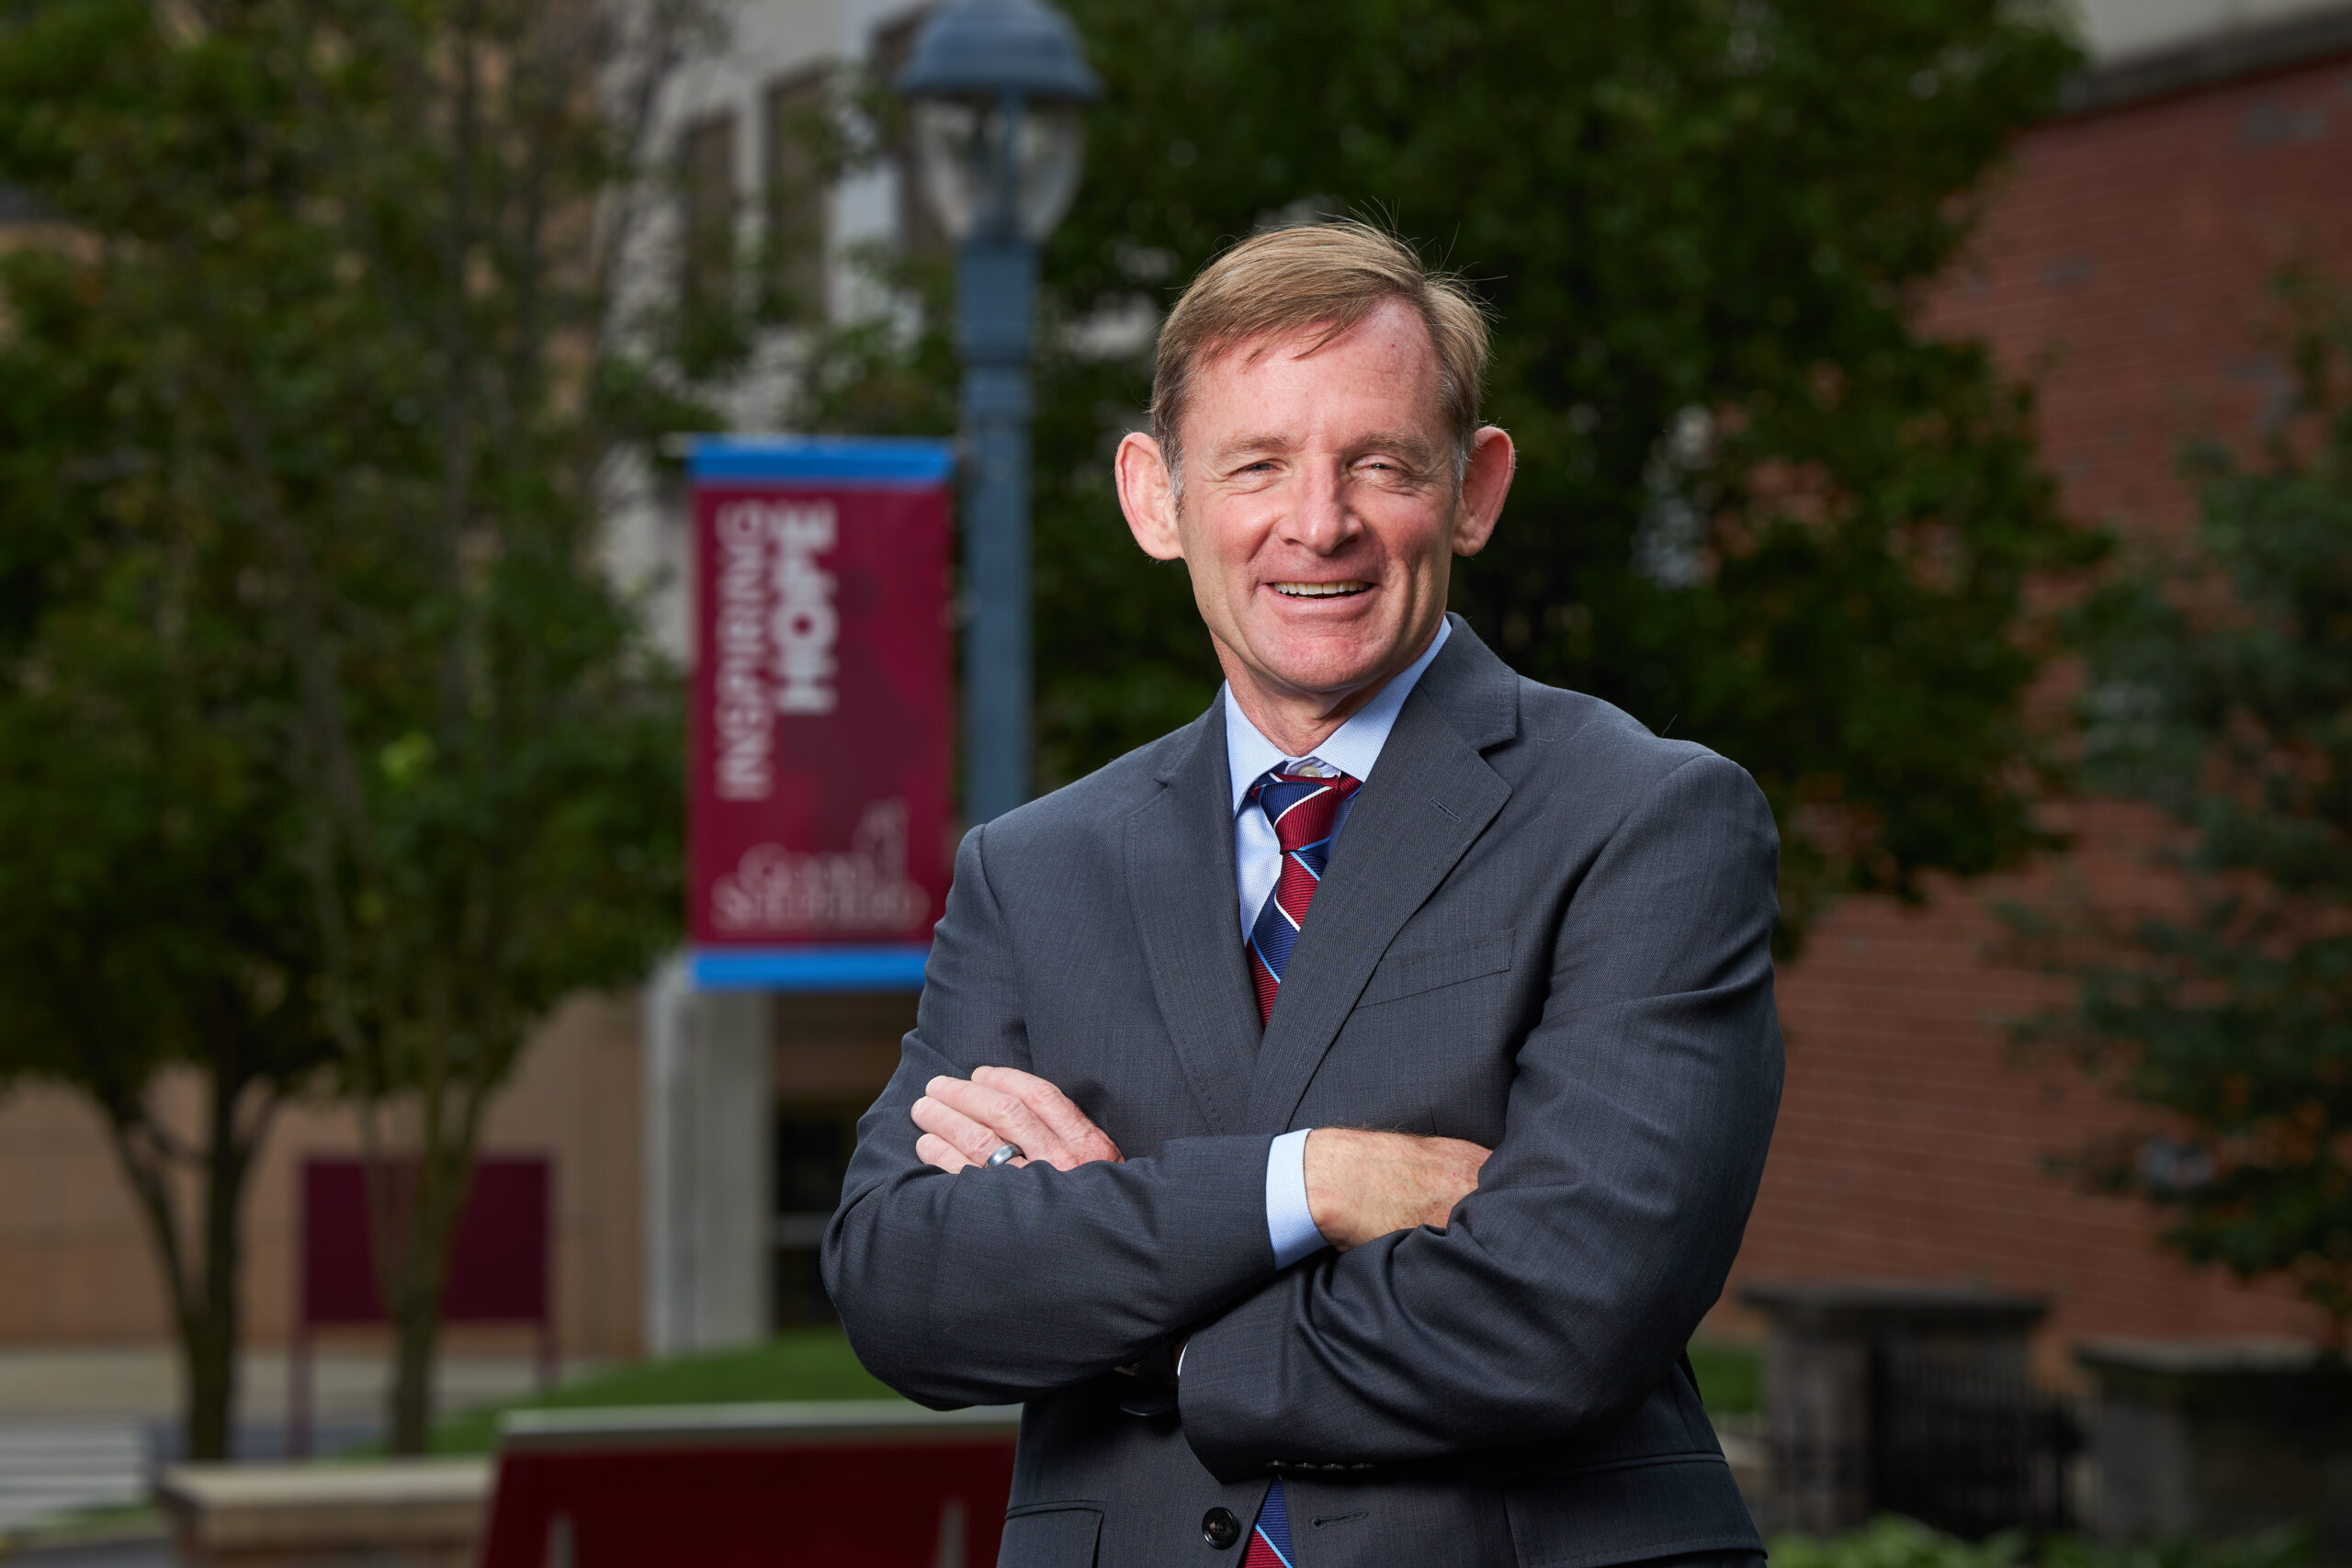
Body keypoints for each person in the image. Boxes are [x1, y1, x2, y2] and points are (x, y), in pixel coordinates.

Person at [823, 220, 1782, 1568]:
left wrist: (1139, 1330)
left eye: (1378, 465)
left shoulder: (1646, 820)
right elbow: (900, 1284)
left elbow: (1568, 1314)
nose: (1317, 523)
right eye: (1257, 464)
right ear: (1156, 499)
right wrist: (1308, 1183)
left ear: (1474, 489)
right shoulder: (1036, 869)